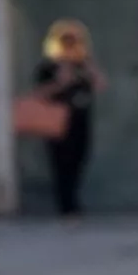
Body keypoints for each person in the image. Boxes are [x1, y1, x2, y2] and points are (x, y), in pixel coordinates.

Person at [27, 21, 100, 219]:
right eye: (65, 42)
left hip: (80, 118)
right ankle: (67, 208)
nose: (70, 46)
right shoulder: (48, 66)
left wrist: (88, 66)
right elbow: (39, 93)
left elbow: (100, 84)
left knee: (79, 160)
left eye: (74, 41)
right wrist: (60, 82)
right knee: (60, 163)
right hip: (56, 121)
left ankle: (73, 203)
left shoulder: (82, 64)